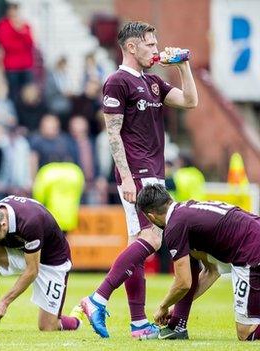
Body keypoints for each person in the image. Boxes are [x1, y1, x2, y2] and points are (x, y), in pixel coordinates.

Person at [79, 21, 198, 339]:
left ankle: (137, 323)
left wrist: (183, 66)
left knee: (139, 243)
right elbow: (112, 132)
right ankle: (97, 298)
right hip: (137, 173)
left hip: (154, 172)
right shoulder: (117, 81)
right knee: (154, 238)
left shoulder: (154, 82)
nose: (156, 50)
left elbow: (190, 101)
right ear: (131, 47)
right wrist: (127, 178)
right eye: (150, 45)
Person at [136, 184, 260, 341]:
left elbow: (183, 283)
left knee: (246, 333)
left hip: (251, 253)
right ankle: (177, 326)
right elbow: (212, 271)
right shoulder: (186, 211)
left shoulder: (174, 226)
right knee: (192, 260)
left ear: (151, 217)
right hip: (250, 241)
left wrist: (163, 307)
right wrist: (176, 308)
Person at [0, 195, 81, 333]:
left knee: (48, 326)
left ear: (3, 225)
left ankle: (77, 318)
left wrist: (4, 302)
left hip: (52, 261)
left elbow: (32, 271)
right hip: (24, 254)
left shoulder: (30, 222)